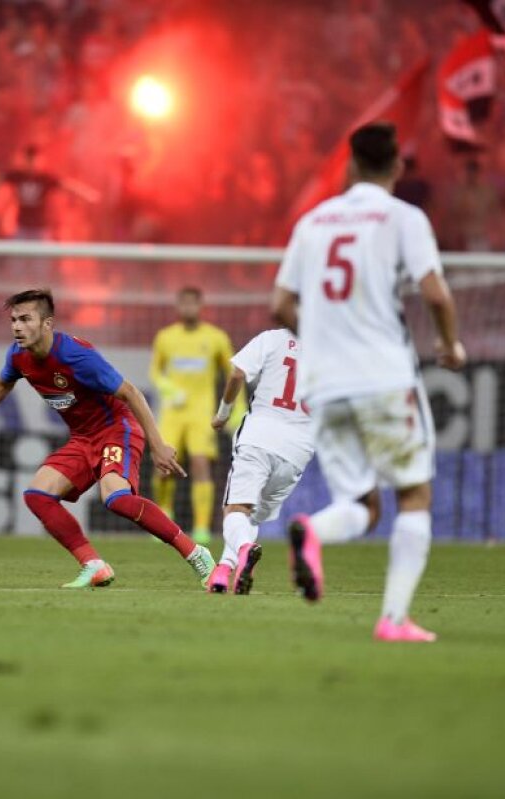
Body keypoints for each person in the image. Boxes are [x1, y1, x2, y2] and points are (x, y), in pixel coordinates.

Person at [272, 122, 466, 643]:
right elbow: (436, 294)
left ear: (349, 164)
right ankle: (394, 620)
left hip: (324, 383)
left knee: (360, 504)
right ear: (398, 168)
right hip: (382, 376)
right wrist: (449, 345)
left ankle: (311, 528)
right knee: (414, 496)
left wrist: (319, 340)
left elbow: (280, 305)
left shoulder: (313, 222)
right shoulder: (403, 217)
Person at [0, 288, 217, 589]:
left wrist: (158, 444)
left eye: (25, 319)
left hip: (117, 430)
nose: (17, 327)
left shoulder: (77, 356)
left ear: (47, 324)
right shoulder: (19, 356)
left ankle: (196, 553)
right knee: (38, 495)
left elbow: (130, 393)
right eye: (13, 320)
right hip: (83, 439)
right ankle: (93, 565)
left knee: (116, 498)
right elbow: (1, 384)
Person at [207, 329, 318, 595]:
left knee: (235, 512)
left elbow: (237, 374)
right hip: (298, 450)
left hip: (260, 437)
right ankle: (222, 572)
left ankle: (245, 550)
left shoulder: (272, 338)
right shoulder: (331, 350)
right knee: (251, 517)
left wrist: (224, 412)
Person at [149, 287, 237, 545]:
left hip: (201, 413)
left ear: (201, 306)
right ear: (178, 306)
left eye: (193, 304)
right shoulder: (165, 337)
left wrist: (235, 407)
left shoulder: (216, 337)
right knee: (164, 465)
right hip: (172, 413)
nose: (188, 308)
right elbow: (155, 372)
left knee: (200, 465)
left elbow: (234, 372)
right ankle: (163, 516)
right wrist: (169, 388)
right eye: (183, 303)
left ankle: (200, 527)